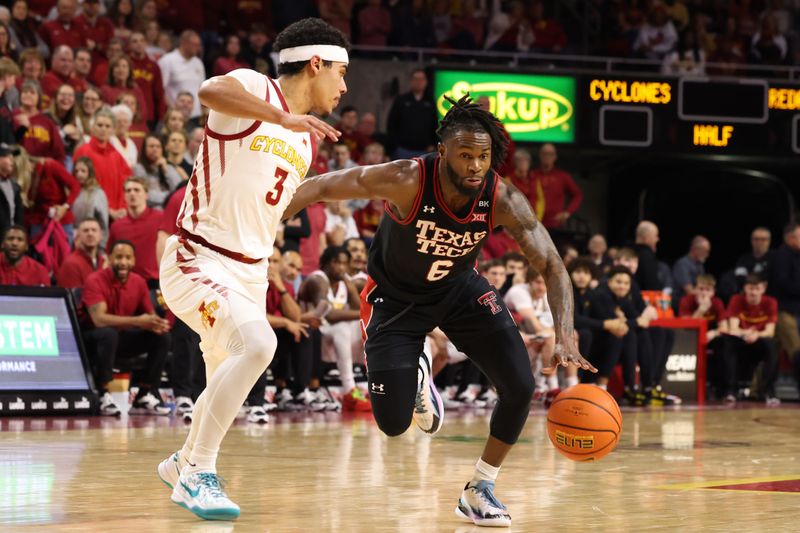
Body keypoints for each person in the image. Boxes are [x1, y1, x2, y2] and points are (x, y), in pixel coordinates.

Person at [284, 94, 594, 527]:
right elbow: (320, 186)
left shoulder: (502, 198)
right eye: (465, 155)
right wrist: (272, 219)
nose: (474, 166)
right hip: (394, 299)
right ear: (443, 151)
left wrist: (565, 333)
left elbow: (553, 266)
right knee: (392, 425)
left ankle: (480, 488)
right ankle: (417, 372)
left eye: (483, 157)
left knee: (519, 386)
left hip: (459, 290)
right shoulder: (407, 178)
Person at [155, 18, 347, 521]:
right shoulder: (255, 87)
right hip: (197, 258)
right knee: (260, 344)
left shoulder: (307, 141)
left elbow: (270, 204)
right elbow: (209, 89)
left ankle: (184, 462)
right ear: (316, 63)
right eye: (341, 73)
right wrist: (281, 119)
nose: (345, 86)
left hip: (248, 272)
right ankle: (196, 472)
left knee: (225, 382)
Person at [80, 239, 171, 416]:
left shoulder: (138, 282)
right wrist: (138, 321)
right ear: (109, 258)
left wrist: (158, 324)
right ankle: (103, 394)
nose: (123, 262)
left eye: (128, 257)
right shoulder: (95, 280)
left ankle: (144, 394)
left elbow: (149, 317)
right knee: (108, 334)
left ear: (134, 261)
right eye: (119, 257)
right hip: (92, 340)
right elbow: (99, 320)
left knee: (161, 338)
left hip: (121, 338)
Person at [298, 245, 368, 411]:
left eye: (345, 263)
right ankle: (349, 389)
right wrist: (360, 315)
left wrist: (350, 287)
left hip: (329, 337)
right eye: (337, 263)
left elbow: (361, 310)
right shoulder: (318, 280)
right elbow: (327, 315)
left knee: (367, 327)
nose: (341, 267)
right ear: (326, 263)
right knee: (343, 327)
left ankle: (371, 383)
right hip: (310, 333)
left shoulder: (344, 283)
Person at [723, 274, 780, 405]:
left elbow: (770, 331)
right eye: (750, 288)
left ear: (763, 289)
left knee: (772, 345)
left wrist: (756, 335)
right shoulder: (736, 300)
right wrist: (746, 333)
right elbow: (733, 328)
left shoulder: (770, 302)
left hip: (759, 341)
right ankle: (731, 391)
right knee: (728, 343)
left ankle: (768, 391)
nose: (753, 292)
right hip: (741, 340)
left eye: (757, 288)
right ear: (745, 288)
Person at [73, 108, 131, 219]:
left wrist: (123, 208)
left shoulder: (117, 155)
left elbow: (127, 183)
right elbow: (77, 184)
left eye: (107, 126)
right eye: (100, 125)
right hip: (90, 214)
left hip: (118, 214)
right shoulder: (83, 151)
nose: (103, 129)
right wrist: (107, 210)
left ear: (113, 130)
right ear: (93, 127)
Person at [386, 69, 438, 159]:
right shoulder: (401, 100)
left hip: (425, 151)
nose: (419, 82)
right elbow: (391, 124)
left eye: (421, 79)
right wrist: (395, 145)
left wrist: (433, 144)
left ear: (426, 82)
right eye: (416, 79)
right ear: (411, 82)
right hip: (402, 150)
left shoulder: (430, 102)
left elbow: (435, 125)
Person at [529, 143, 582, 230]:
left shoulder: (563, 176)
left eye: (550, 154)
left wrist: (567, 212)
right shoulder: (531, 175)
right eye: (544, 153)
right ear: (540, 155)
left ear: (555, 157)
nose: (547, 156)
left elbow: (578, 195)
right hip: (534, 225)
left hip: (556, 226)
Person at [158, 30, 205, 119]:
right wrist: (171, 109)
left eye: (199, 45)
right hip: (176, 116)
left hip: (196, 115)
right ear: (184, 43)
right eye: (194, 45)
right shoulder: (167, 61)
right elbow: (161, 90)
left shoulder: (198, 63)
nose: (198, 48)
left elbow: (201, 89)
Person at [56, 217, 106, 288]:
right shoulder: (71, 264)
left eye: (94, 230)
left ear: (100, 235)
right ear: (78, 236)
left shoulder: (103, 262)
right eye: (86, 231)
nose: (90, 234)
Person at [672, 235, 711, 305]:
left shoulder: (700, 265)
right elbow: (689, 291)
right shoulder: (682, 264)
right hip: (681, 304)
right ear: (695, 249)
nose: (707, 255)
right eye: (705, 251)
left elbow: (704, 286)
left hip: (695, 302)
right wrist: (707, 293)